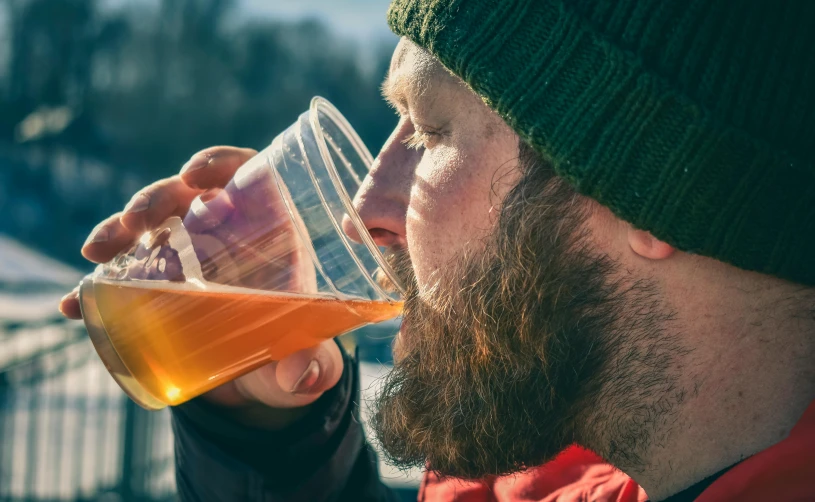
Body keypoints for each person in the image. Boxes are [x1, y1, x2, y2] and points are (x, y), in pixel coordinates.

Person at [60, 0, 815, 500]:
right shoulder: (541, 476)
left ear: (649, 192)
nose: (364, 212)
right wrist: (272, 438)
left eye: (427, 130)